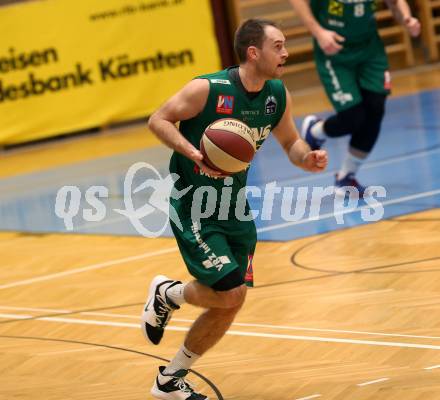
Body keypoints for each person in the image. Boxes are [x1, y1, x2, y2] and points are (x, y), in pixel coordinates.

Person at [143, 18, 328, 399]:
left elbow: (290, 142)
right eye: (278, 45)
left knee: (233, 300)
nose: (286, 53)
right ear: (253, 52)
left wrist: (306, 158)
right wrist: (194, 153)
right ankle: (168, 302)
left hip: (234, 206)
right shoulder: (207, 89)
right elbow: (158, 119)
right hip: (193, 202)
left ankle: (169, 371)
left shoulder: (277, 94)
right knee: (228, 291)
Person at [289, 0, 420, 196]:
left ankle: (346, 177)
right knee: (353, 117)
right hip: (334, 51)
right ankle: (316, 131)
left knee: (375, 109)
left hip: (370, 50)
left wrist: (407, 18)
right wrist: (318, 32)